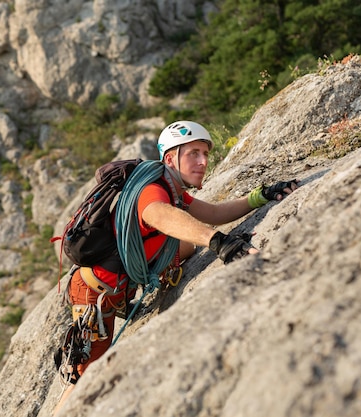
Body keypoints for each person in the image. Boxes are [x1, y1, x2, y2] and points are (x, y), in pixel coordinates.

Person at [53, 120, 298, 414]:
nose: (203, 161)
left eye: (205, 154)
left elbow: (213, 212)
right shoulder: (153, 189)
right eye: (193, 153)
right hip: (96, 296)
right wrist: (218, 242)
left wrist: (261, 196)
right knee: (83, 379)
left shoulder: (173, 188)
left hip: (116, 286)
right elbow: (157, 214)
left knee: (185, 245)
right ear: (170, 158)